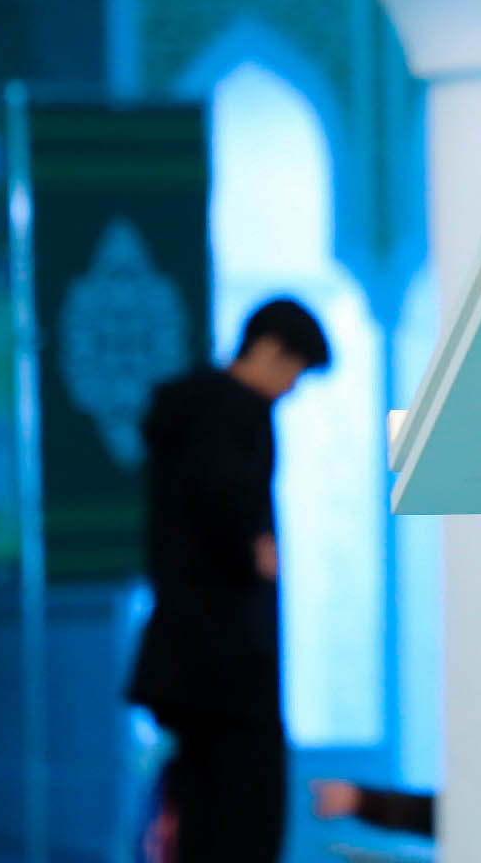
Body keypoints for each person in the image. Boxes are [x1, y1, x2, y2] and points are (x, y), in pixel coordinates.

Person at [126, 297, 332, 863]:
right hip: (232, 662)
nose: (290, 388)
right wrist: (253, 547)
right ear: (268, 350)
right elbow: (223, 499)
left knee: (201, 810)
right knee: (243, 814)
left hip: (186, 660)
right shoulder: (235, 411)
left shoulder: (184, 410)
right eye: (293, 371)